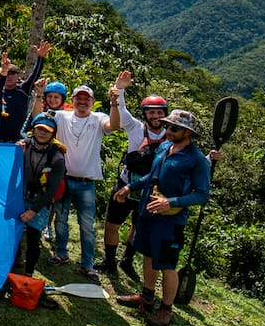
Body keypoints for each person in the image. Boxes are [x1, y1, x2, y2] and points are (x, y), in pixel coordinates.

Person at [114, 109, 218, 326]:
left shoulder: (196, 160)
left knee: (167, 264)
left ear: (188, 133)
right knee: (148, 256)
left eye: (173, 128)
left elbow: (201, 194)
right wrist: (130, 187)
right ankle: (147, 296)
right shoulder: (164, 147)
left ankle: (166, 308)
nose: (168, 130)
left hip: (170, 221)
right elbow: (151, 176)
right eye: (167, 126)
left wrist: (170, 202)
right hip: (147, 212)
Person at [49, 77, 126, 281]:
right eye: (79, 98)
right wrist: (39, 94)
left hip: (86, 182)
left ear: (92, 102)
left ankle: (87, 264)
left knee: (87, 225)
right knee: (61, 220)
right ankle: (61, 253)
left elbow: (115, 126)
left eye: (86, 99)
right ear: (72, 100)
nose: (82, 102)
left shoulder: (98, 118)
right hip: (63, 178)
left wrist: (114, 103)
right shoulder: (61, 116)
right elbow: (39, 119)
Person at [96, 89, 170, 279]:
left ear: (165, 114)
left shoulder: (171, 136)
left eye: (159, 112)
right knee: (112, 223)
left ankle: (127, 260)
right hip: (126, 182)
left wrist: (210, 158)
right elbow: (122, 110)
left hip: (150, 190)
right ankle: (110, 261)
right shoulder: (136, 127)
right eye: (151, 112)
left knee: (137, 226)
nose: (155, 116)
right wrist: (119, 89)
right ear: (145, 114)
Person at [16, 114, 67, 277]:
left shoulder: (57, 157)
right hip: (19, 197)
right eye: (39, 129)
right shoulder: (22, 147)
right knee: (13, 234)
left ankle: (29, 273)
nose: (42, 133)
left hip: (40, 202)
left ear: (53, 133)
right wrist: (16, 151)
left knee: (33, 238)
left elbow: (52, 190)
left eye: (47, 130)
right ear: (33, 129)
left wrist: (33, 211)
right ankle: (14, 263)